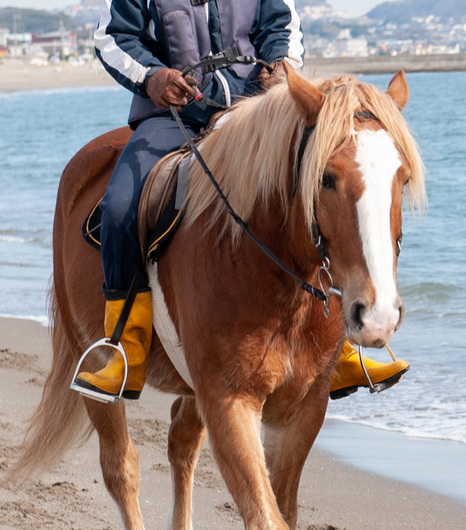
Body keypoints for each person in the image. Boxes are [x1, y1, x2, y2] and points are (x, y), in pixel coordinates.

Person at [75, 0, 408, 402]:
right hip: (173, 114)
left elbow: (283, 24)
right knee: (121, 205)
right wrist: (153, 77)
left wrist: (279, 64)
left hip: (254, 106)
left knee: (316, 194)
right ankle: (123, 346)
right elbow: (111, 36)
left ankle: (340, 347)